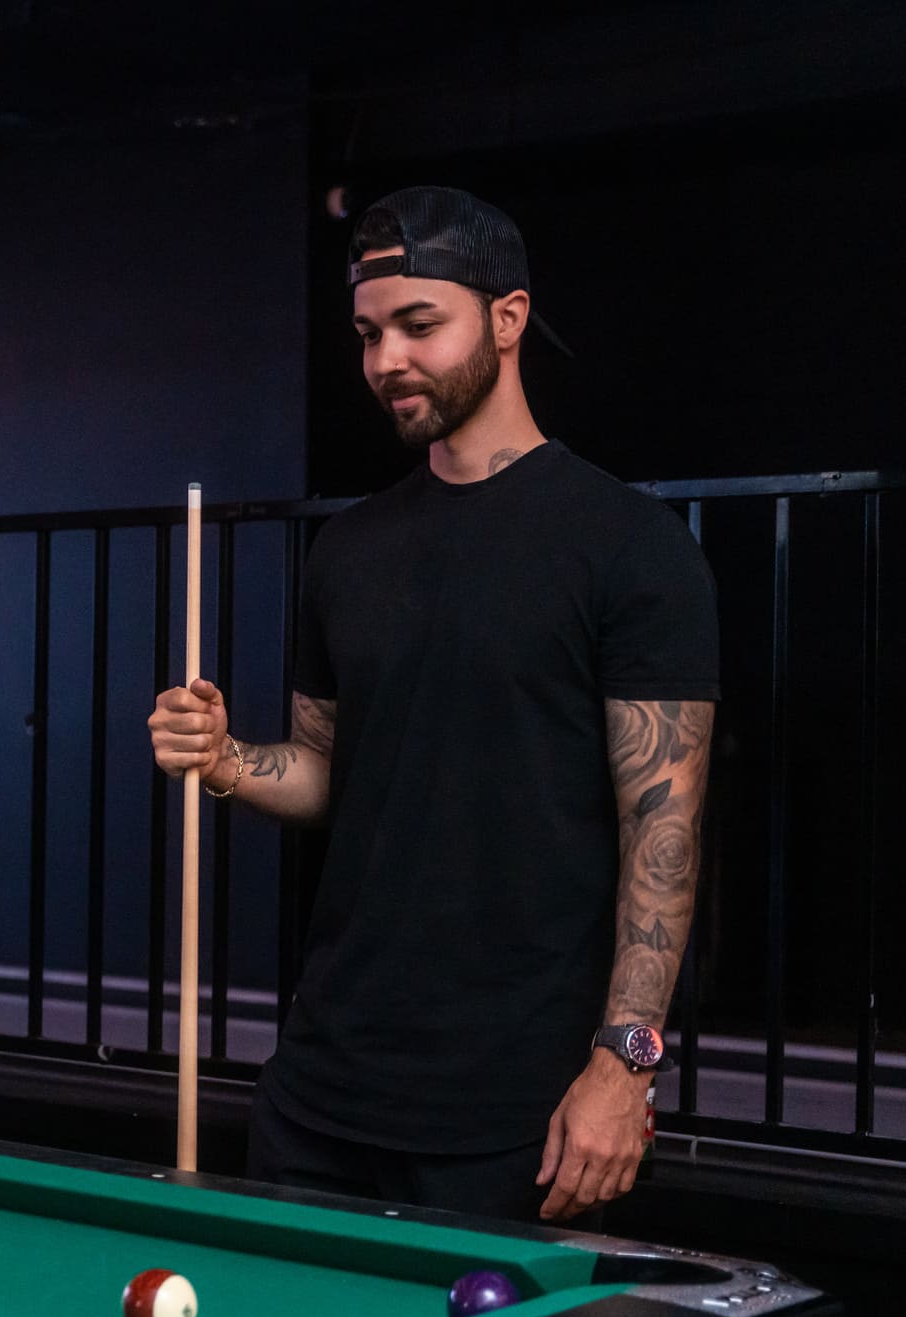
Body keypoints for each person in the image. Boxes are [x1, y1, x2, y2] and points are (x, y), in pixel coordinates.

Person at [149, 187, 718, 1225]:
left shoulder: (631, 547)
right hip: (324, 1086)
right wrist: (229, 758)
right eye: (369, 335)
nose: (385, 362)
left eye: (420, 326)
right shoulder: (351, 549)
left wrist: (625, 1061)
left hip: (517, 1108)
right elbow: (330, 773)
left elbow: (663, 827)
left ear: (506, 319)